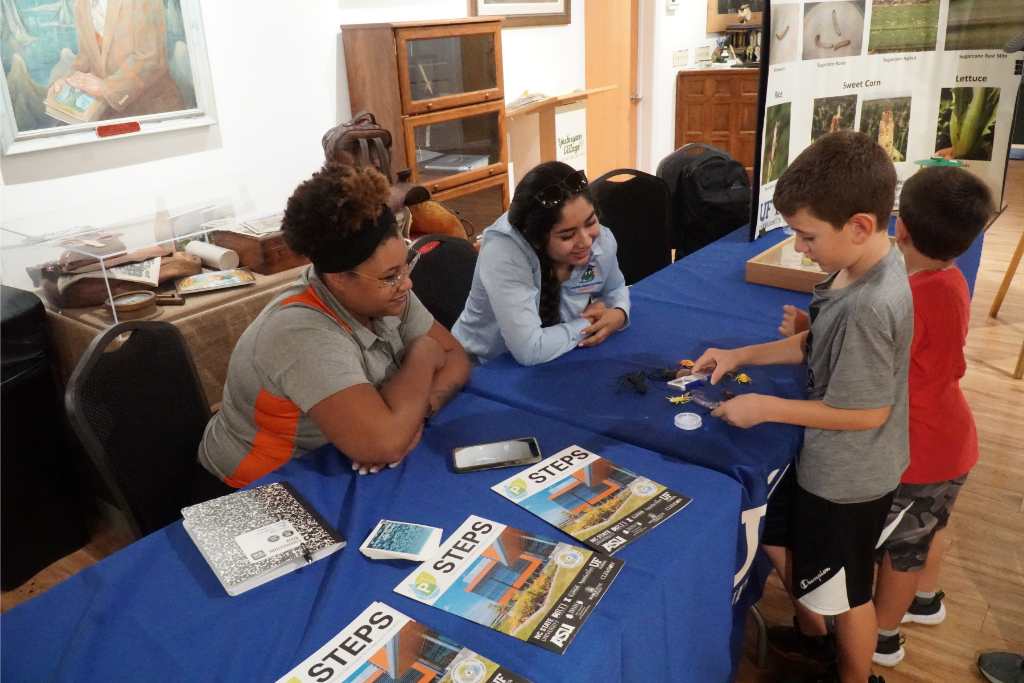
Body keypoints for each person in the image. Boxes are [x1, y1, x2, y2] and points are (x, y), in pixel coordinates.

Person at [693, 131, 910, 683]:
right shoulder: (858, 266)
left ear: (859, 225)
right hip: (829, 465)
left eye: (807, 236)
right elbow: (813, 344)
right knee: (783, 539)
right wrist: (742, 353)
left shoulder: (870, 305)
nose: (800, 248)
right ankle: (814, 641)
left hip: (849, 477)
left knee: (847, 591)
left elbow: (866, 413)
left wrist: (766, 407)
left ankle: (855, 676)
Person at [781, 167, 993, 668]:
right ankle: (925, 601)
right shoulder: (949, 278)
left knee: (901, 550)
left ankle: (886, 635)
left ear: (899, 227)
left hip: (922, 450)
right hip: (951, 439)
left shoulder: (905, 295)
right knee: (927, 530)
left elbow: (875, 370)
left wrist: (817, 334)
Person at [198, 160, 471, 487]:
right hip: (258, 488)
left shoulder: (386, 292)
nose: (407, 284)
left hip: (337, 463)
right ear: (339, 279)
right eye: (390, 276)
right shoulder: (300, 332)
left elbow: (456, 358)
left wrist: (416, 412)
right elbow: (384, 444)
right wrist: (424, 353)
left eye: (405, 266)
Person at [452, 161, 630, 365]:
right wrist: (591, 322)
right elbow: (530, 349)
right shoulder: (503, 253)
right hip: (486, 367)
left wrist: (619, 313)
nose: (586, 241)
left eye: (590, 222)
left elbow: (615, 288)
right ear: (537, 239)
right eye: (567, 236)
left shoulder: (601, 240)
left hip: (561, 351)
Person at [47, 0, 185, 119]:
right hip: (109, 112)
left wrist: (107, 88)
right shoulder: (81, 4)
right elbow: (85, 57)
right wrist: (67, 81)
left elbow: (151, 59)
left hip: (154, 110)